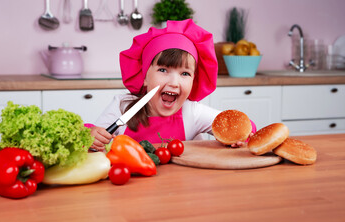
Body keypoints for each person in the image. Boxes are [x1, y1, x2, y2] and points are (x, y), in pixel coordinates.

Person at [88, 19, 256, 152]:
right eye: (163, 70)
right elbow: (91, 138)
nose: (174, 83)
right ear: (144, 76)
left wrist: (241, 136)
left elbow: (238, 124)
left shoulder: (192, 113)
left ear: (194, 80)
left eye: (185, 74)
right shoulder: (121, 106)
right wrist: (91, 136)